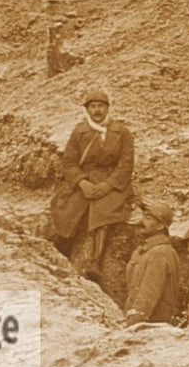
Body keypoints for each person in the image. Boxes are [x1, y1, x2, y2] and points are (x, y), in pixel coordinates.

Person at [48, 87, 135, 300]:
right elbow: (68, 163)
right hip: (85, 180)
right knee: (68, 208)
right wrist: (82, 183)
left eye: (101, 106)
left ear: (107, 108)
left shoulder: (121, 132)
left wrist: (108, 185)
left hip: (111, 182)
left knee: (104, 210)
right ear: (88, 109)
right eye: (93, 106)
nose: (97, 110)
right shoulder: (80, 132)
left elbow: (126, 165)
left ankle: (95, 261)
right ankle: (59, 247)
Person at [124, 200, 181, 324]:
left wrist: (130, 324)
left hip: (152, 327)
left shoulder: (159, 253)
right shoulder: (143, 251)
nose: (141, 221)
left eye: (148, 218)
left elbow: (147, 298)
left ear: (160, 226)